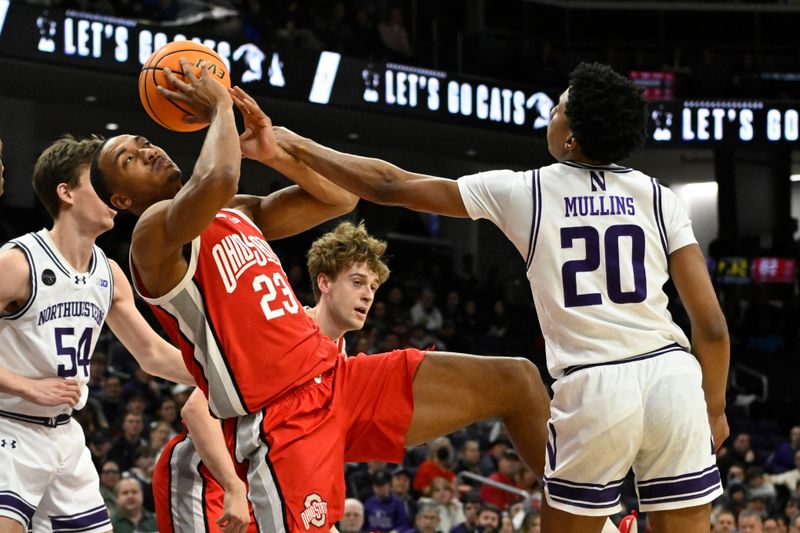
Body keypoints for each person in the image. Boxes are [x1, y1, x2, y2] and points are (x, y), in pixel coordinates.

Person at [90, 60, 551, 532]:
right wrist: (220, 107)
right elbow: (218, 179)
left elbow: (338, 198)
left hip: (340, 378)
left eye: (143, 142)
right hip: (282, 415)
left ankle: (592, 518)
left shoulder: (233, 212)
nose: (147, 152)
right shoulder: (152, 236)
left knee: (516, 380)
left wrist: (274, 152)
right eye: (129, 159)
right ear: (121, 200)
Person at [273, 61, 730, 533]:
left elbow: (390, 185)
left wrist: (299, 144)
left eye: (558, 110)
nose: (550, 115)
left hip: (595, 386)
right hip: (672, 379)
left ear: (571, 138)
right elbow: (711, 326)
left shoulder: (527, 190)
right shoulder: (659, 197)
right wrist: (713, 409)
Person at [0, 135, 194, 533]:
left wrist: (228, 376)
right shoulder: (18, 262)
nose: (113, 192)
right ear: (66, 192)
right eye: (99, 181)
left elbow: (153, 355)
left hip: (66, 438)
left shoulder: (109, 273)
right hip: (8, 427)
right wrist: (25, 386)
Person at [152, 220, 392, 533]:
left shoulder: (340, 357)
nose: (367, 296)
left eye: (373, 287)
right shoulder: (283, 335)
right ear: (325, 283)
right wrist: (233, 486)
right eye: (358, 282)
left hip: (257, 483)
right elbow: (197, 411)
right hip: (207, 477)